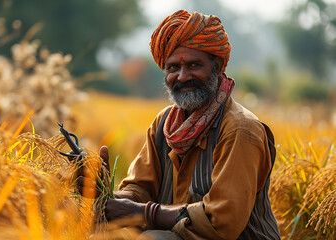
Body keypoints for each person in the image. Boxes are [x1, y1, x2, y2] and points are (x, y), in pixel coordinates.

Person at [86, 10, 281, 240]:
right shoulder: (164, 124)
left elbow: (222, 221)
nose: (182, 76)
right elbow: (139, 190)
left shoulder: (240, 129)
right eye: (172, 68)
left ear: (217, 67)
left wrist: (146, 213)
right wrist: (101, 192)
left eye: (194, 65)